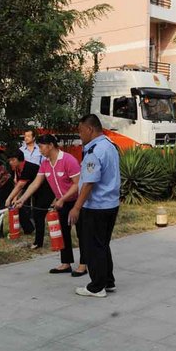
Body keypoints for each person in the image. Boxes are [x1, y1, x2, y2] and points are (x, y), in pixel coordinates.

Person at [15, 134, 87, 276]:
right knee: (63, 232)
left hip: (77, 202)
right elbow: (36, 183)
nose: (39, 150)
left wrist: (62, 199)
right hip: (62, 203)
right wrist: (22, 199)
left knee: (81, 234)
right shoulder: (45, 163)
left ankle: (83, 265)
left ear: (50, 145)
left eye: (41, 147)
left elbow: (77, 184)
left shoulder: (68, 160)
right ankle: (66, 263)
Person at [68, 114, 120, 298]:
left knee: (92, 246)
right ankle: (108, 280)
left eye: (81, 131)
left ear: (89, 129)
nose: (80, 135)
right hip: (111, 204)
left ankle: (96, 286)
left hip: (96, 206)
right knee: (102, 244)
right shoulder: (110, 145)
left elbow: (89, 182)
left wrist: (76, 207)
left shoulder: (94, 151)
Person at [5, 150, 38, 241]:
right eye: (9, 160)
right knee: (24, 208)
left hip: (42, 190)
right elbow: (20, 186)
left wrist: (9, 198)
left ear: (18, 159)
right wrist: (15, 198)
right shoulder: (18, 170)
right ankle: (30, 230)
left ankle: (38, 240)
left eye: (12, 160)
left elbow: (20, 185)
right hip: (32, 190)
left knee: (38, 213)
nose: (10, 163)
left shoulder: (27, 167)